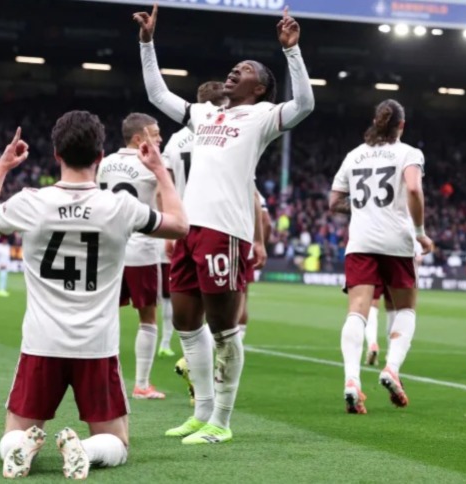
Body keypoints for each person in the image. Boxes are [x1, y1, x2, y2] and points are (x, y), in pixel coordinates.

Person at [0, 113, 188, 479]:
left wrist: (3, 166)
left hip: (42, 342)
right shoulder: (120, 207)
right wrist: (159, 171)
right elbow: (180, 226)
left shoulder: (31, 202)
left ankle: (21, 447)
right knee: (117, 443)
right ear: (100, 156)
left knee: (13, 433)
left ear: (56, 154)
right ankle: (84, 449)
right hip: (96, 346)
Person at [134, 4, 314, 443]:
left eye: (245, 69)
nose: (235, 70)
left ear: (260, 88)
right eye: (235, 67)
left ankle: (222, 421)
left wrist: (292, 51)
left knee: (224, 330)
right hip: (188, 229)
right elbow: (158, 96)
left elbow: (306, 104)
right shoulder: (204, 114)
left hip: (225, 232)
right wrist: (147, 43)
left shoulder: (263, 117)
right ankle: (201, 413)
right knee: (186, 324)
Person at [329, 99, 432, 414]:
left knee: (356, 312)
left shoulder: (354, 155)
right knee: (406, 309)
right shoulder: (409, 153)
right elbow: (413, 189)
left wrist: (363, 207)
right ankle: (392, 368)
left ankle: (351, 380)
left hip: (361, 242)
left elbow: (334, 202)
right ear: (402, 125)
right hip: (397, 241)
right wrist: (420, 232)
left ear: (376, 122)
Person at [97, 112, 166, 400]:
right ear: (139, 139)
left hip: (108, 248)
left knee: (104, 314)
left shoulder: (105, 163)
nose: (160, 139)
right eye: (155, 133)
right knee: (147, 317)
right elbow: (163, 198)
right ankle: (141, 384)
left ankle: (100, 380)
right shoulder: (153, 164)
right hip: (141, 249)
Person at [158, 80, 227, 358]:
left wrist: (168, 227)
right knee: (219, 303)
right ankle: (217, 365)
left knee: (184, 297)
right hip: (218, 224)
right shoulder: (227, 134)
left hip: (182, 225)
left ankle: (186, 356)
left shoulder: (175, 140)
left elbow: (164, 187)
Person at [239, 190, 271, 341]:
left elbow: (267, 223)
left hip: (230, 245)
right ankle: (238, 339)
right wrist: (260, 245)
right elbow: (267, 224)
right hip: (248, 250)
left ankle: (225, 342)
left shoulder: (240, 188)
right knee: (242, 298)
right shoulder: (256, 192)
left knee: (217, 299)